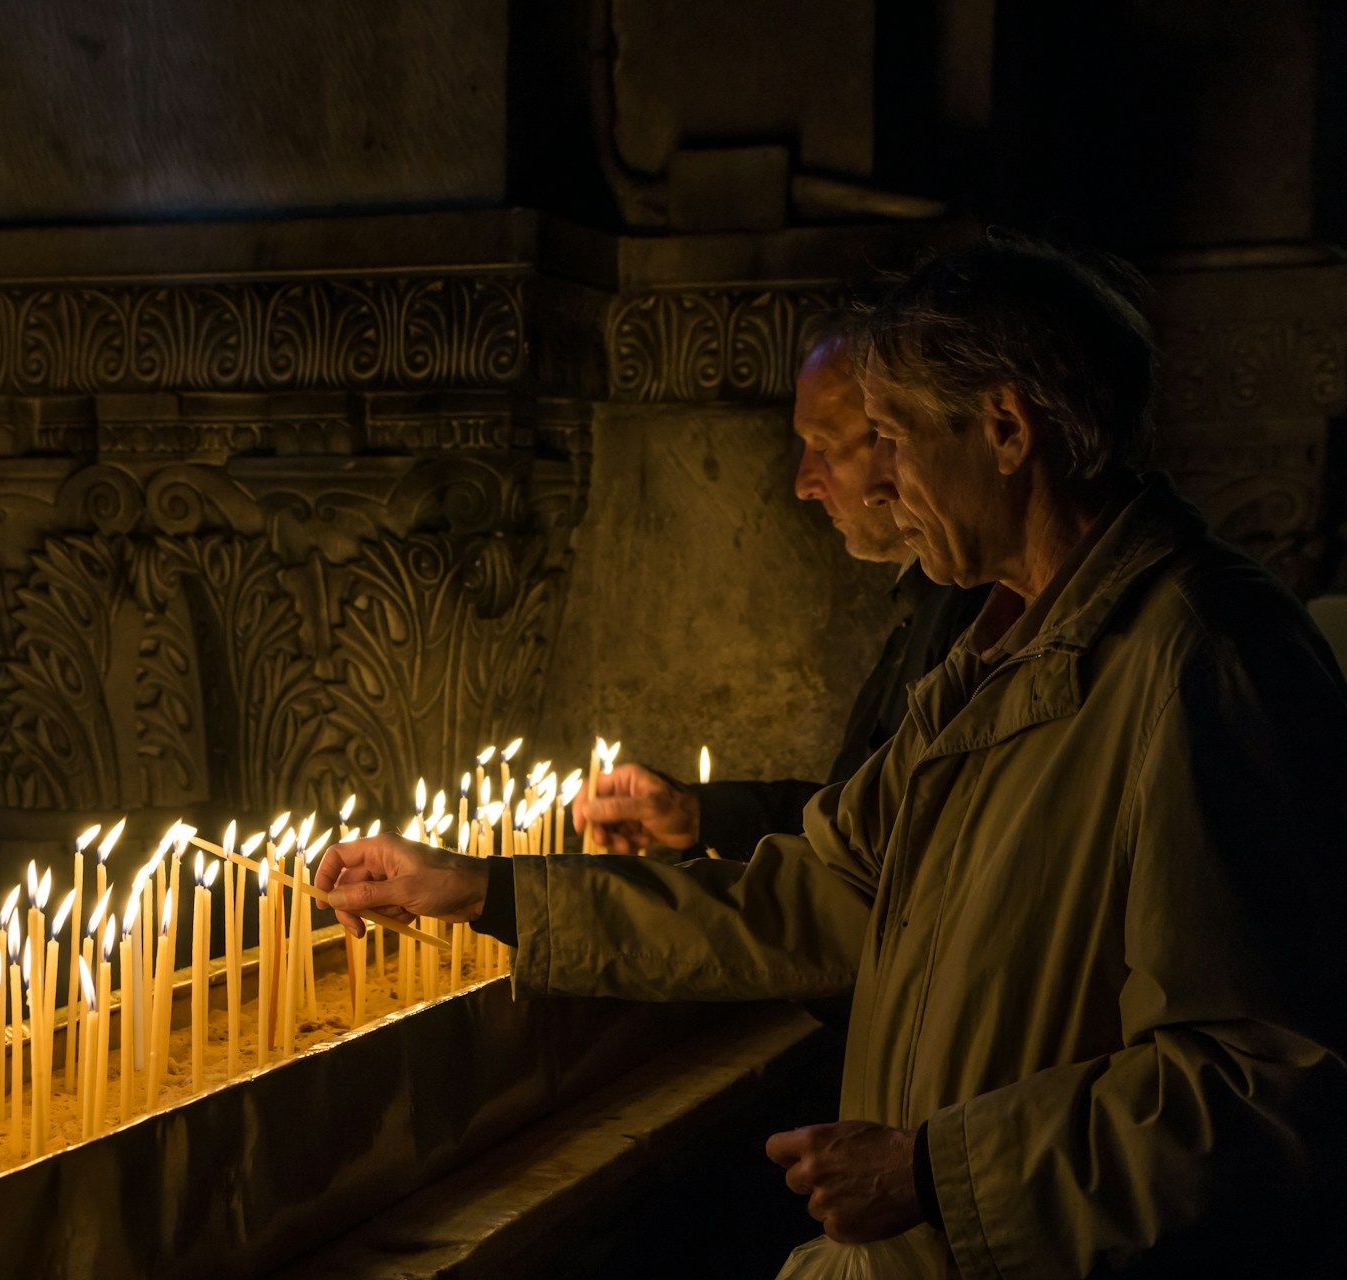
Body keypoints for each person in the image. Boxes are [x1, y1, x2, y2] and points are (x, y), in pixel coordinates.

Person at [316, 236, 1347, 1276]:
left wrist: (934, 1172)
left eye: (892, 435)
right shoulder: (995, 659)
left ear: (1003, 427)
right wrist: (483, 890)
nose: (879, 482)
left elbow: (1260, 1083)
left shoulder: (1204, 662)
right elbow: (803, 894)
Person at [581, 321, 983, 860]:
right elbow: (855, 819)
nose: (803, 483)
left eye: (824, 445)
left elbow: (891, 852)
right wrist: (698, 815)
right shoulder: (926, 608)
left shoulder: (978, 615)